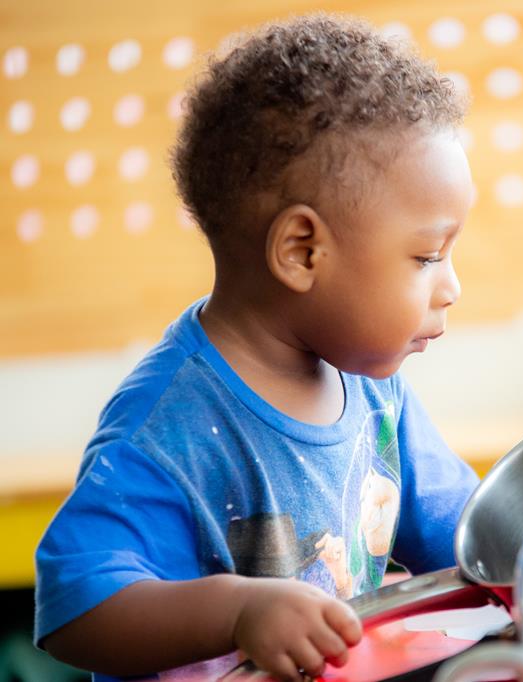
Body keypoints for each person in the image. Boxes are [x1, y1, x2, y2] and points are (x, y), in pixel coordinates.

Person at [34, 13, 479, 682]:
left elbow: (465, 532)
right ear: (302, 251)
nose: (452, 287)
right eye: (425, 256)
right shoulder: (170, 428)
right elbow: (75, 608)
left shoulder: (374, 389)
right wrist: (238, 609)